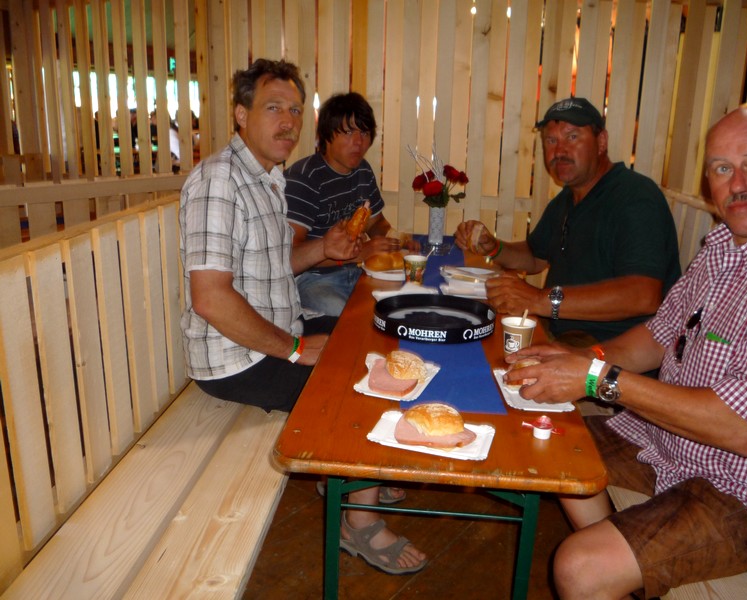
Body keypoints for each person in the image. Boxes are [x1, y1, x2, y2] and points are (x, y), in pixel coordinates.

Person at [504, 104, 747, 599]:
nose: (737, 183)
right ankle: (625, 565)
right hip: (665, 440)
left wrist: (595, 376)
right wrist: (578, 360)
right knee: (550, 439)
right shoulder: (721, 247)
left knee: (578, 567)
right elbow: (658, 335)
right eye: (722, 168)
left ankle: (608, 567)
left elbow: (741, 431)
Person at [179, 59, 426, 575]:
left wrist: (323, 249)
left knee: (373, 337)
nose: (288, 121)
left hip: (273, 333)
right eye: (274, 108)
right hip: (235, 360)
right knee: (359, 382)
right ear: (241, 114)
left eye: (295, 110)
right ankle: (358, 523)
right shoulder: (219, 181)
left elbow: (278, 265)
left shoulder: (267, 179)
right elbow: (211, 299)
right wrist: (294, 350)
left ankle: (349, 472)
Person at [455, 97, 681, 346]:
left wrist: (539, 300)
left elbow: (643, 296)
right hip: (558, 335)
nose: (559, 151)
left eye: (572, 137)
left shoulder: (635, 197)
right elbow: (535, 257)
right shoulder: (567, 199)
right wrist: (494, 247)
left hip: (611, 351)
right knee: (460, 320)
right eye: (551, 141)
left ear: (601, 142)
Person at [285, 92, 415, 317]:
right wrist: (359, 253)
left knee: (402, 305)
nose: (358, 142)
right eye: (348, 132)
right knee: (352, 317)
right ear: (327, 135)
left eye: (364, 132)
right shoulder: (304, 178)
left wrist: (396, 241)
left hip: (358, 271)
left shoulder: (362, 170)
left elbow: (376, 223)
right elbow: (290, 255)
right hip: (311, 279)